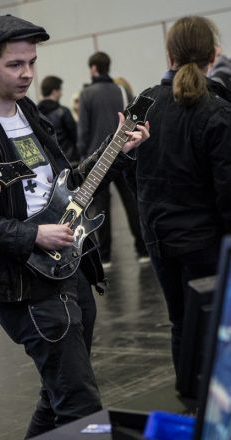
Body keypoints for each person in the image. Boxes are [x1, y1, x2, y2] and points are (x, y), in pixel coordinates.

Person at [0, 15, 149, 438]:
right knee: (80, 405)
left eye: (31, 62)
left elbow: (68, 187)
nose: (28, 73)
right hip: (24, 282)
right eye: (15, 64)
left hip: (69, 269)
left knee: (58, 399)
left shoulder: (30, 115)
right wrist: (32, 235)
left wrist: (116, 149)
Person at [125, 16, 231, 391]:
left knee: (181, 324)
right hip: (205, 242)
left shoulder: (144, 103)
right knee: (215, 326)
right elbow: (227, 192)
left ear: (168, 53)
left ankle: (189, 400)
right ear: (213, 55)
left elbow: (125, 168)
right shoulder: (216, 111)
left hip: (159, 237)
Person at [77, 51, 149, 267]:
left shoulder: (87, 94)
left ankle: (105, 256)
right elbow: (135, 118)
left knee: (100, 207)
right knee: (131, 203)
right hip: (123, 154)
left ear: (93, 69)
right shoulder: (122, 90)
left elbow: (83, 130)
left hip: (98, 160)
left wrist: (83, 158)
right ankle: (143, 250)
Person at [38, 75, 79, 166]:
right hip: (69, 160)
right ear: (54, 91)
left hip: (49, 163)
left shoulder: (35, 113)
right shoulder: (63, 112)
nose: (62, 93)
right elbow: (76, 136)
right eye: (60, 90)